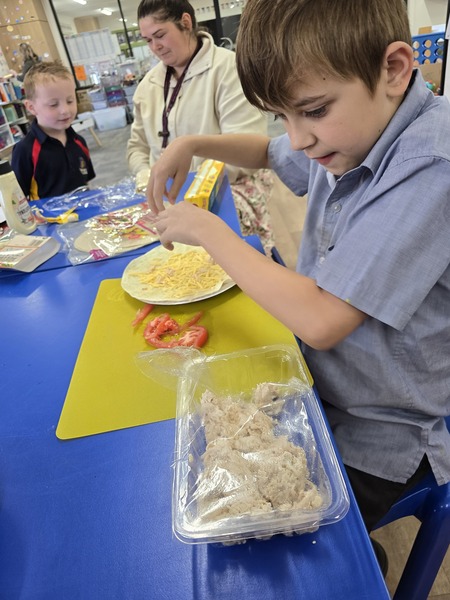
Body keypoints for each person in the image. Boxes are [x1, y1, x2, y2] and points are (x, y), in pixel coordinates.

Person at [146, 0, 450, 565]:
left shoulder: (432, 164)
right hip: (316, 384)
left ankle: (358, 563)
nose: (301, 138)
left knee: (266, 552)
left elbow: (323, 320)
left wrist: (211, 231)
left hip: (380, 429)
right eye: (284, 115)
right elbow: (267, 149)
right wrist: (191, 144)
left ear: (394, 68)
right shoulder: (350, 126)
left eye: (311, 110)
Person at [126, 0, 274, 253]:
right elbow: (136, 148)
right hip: (166, 198)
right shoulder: (147, 87)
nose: (155, 47)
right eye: (148, 40)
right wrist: (147, 177)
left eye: (160, 35)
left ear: (186, 23)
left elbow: (248, 148)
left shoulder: (229, 69)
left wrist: (193, 186)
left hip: (223, 191)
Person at [11, 61, 95, 200]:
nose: (65, 110)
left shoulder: (79, 141)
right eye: (53, 104)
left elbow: (86, 183)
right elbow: (17, 198)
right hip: (49, 220)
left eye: (70, 101)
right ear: (31, 107)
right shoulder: (25, 150)